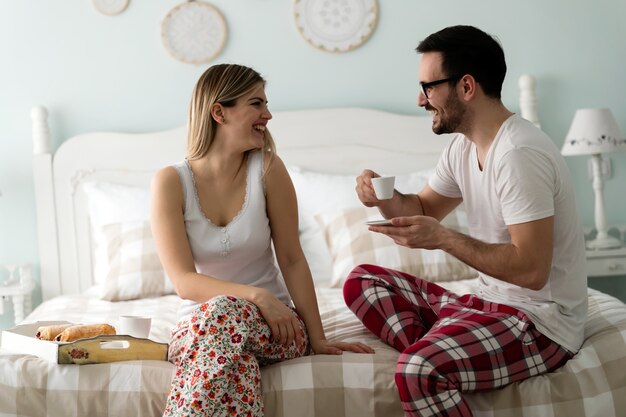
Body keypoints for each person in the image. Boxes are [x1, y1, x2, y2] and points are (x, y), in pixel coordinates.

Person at [345, 25, 587, 417]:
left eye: (428, 87)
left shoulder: (519, 154)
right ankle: (449, 344)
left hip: (540, 323)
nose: (421, 100)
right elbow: (422, 210)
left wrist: (445, 239)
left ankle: (438, 353)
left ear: (467, 87)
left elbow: (531, 271)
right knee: (362, 282)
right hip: (488, 303)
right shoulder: (464, 146)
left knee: (416, 370)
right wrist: (381, 196)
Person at [151, 63, 373, 417]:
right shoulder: (170, 182)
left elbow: (291, 258)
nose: (267, 115)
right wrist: (258, 296)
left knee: (222, 326)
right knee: (232, 355)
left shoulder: (268, 169)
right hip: (199, 325)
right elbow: (183, 282)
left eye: (266, 105)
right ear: (219, 112)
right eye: (256, 104)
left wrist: (316, 339)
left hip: (277, 326)